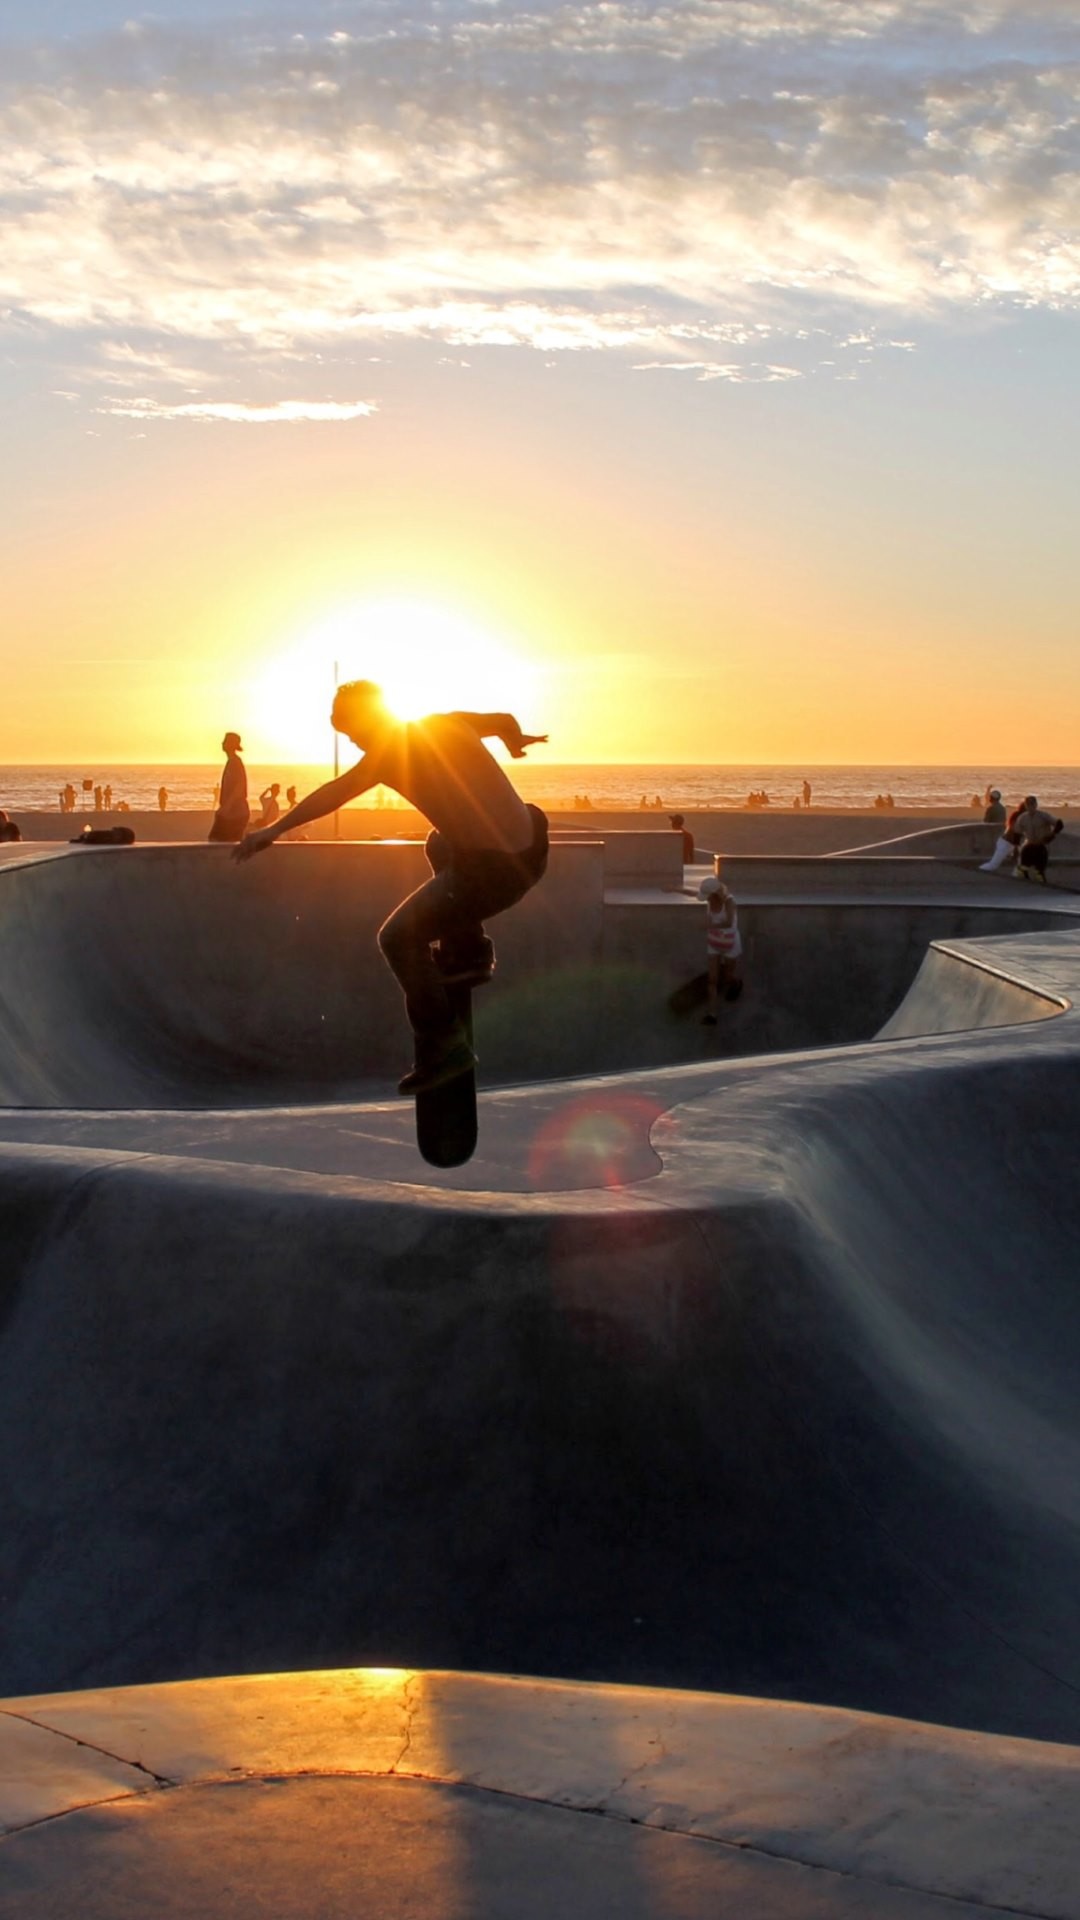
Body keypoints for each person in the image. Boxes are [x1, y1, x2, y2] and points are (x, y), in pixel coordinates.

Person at [233, 682, 549, 1093]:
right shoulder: (446, 722)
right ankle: (471, 949)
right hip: (534, 845)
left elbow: (334, 793)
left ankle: (444, 1048)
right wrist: (515, 741)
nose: (356, 744)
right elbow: (503, 721)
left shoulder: (386, 754)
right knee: (439, 841)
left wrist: (272, 830)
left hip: (495, 876)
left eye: (354, 734)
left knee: (397, 939)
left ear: (369, 720)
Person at [698, 859, 742, 1024]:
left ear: (714, 894)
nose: (706, 900)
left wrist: (708, 925)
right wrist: (675, 889)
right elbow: (691, 893)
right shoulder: (709, 900)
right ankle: (712, 1015)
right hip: (714, 940)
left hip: (730, 942)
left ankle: (736, 983)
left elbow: (729, 922)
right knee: (713, 979)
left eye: (707, 897)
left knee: (728, 976)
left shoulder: (729, 901)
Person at [1009, 795, 1064, 884]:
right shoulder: (1022, 818)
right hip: (1029, 845)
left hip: (1041, 846)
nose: (1030, 807)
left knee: (1039, 874)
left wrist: (1052, 835)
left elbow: (1059, 824)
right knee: (1023, 870)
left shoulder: (1044, 816)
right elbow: (1017, 833)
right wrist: (1015, 848)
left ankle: (1042, 882)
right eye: (1028, 805)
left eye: (1032, 804)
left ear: (1036, 805)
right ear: (1026, 806)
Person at [208, 733, 249, 843]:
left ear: (231, 744)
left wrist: (226, 807)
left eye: (225, 741)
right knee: (220, 842)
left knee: (217, 841)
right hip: (233, 812)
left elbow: (239, 787)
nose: (222, 743)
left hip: (234, 813)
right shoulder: (232, 761)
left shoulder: (235, 762)